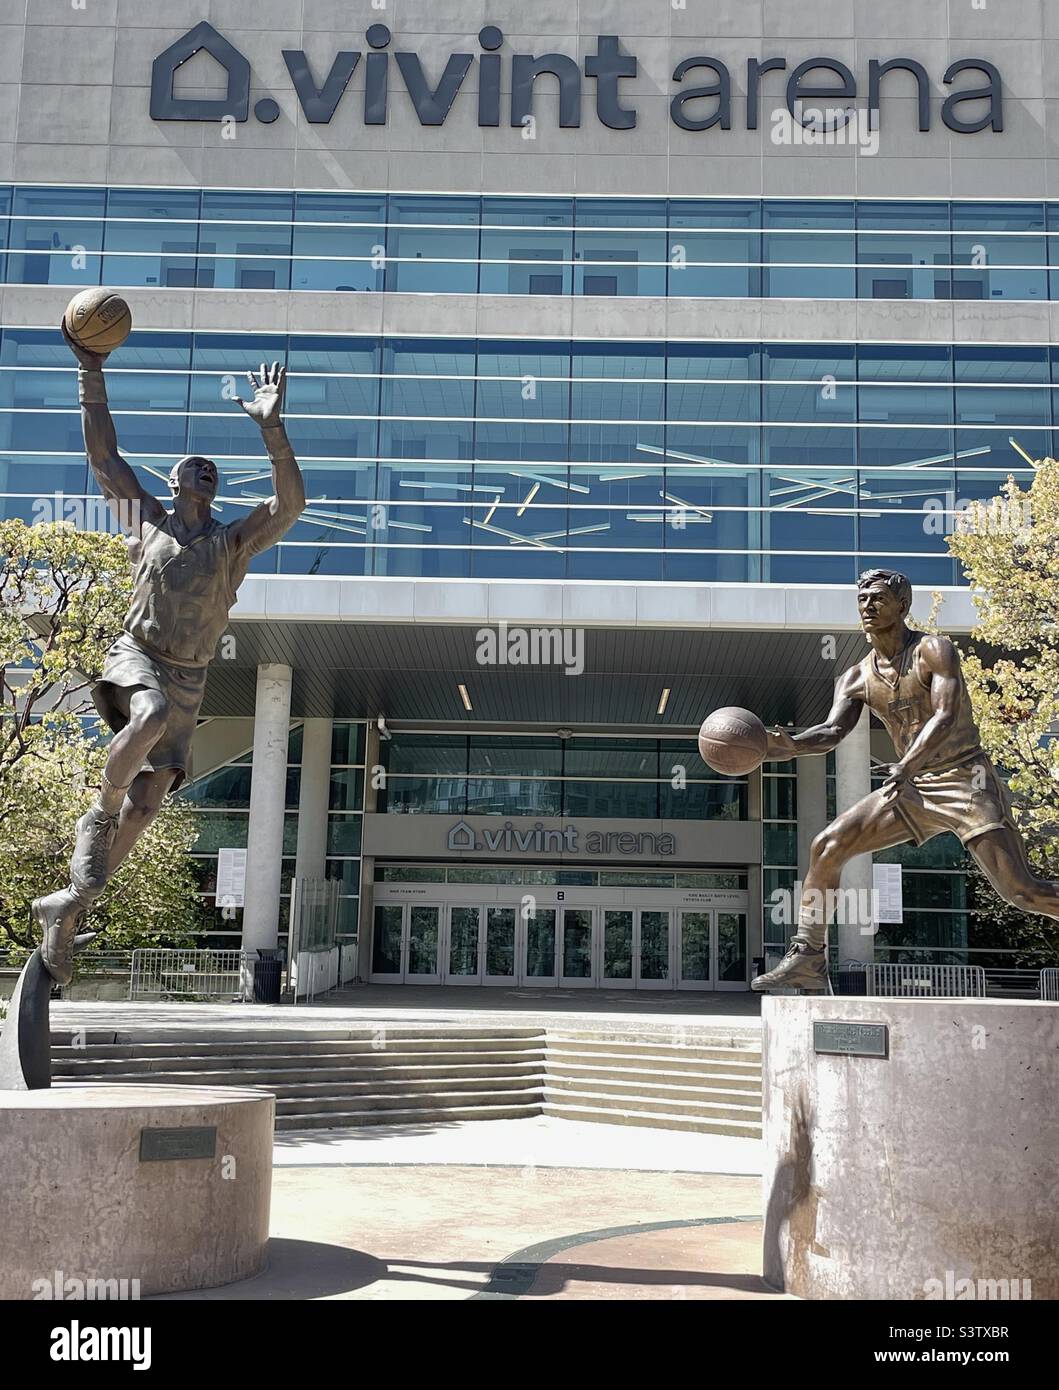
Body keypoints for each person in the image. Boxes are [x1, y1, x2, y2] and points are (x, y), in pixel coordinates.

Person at [31, 330, 306, 984]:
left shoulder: (231, 542)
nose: (203, 469)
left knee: (150, 803)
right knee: (146, 715)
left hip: (191, 679)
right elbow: (104, 455)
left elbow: (290, 504)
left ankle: (73, 902)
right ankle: (96, 815)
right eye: (192, 465)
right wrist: (89, 372)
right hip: (140, 657)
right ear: (175, 480)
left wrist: (274, 431)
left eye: (211, 468)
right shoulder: (147, 521)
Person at [752, 568, 1059, 991]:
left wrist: (908, 764)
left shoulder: (934, 650)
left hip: (965, 779)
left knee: (1021, 891)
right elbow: (831, 733)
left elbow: (945, 716)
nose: (867, 606)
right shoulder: (856, 676)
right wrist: (787, 744)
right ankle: (807, 957)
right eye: (862, 599)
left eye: (877, 598)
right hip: (913, 786)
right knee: (827, 845)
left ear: (902, 605)